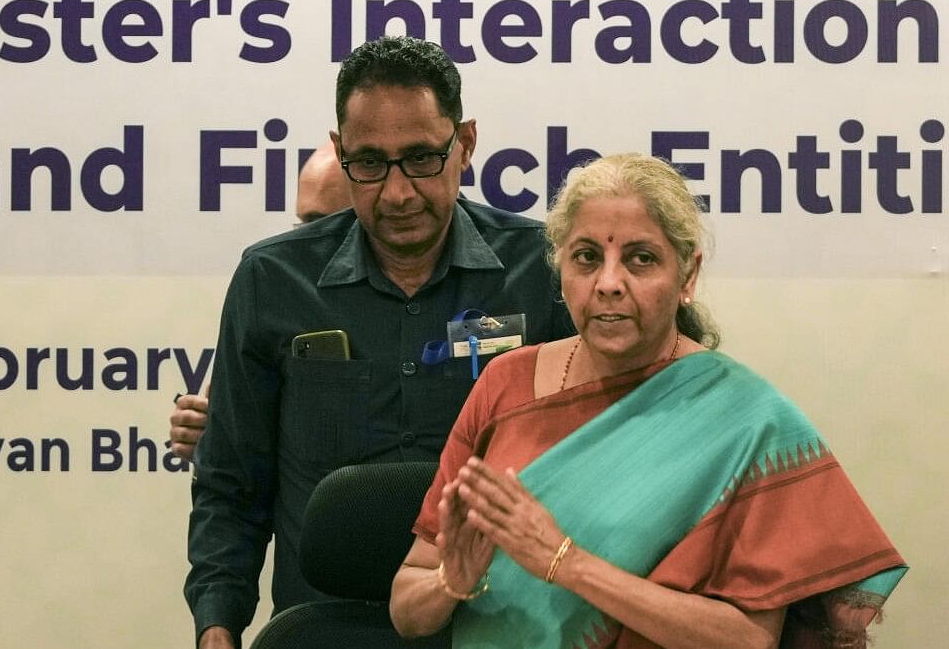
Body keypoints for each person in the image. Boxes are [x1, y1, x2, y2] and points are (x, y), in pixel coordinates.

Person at [390, 153, 907, 648]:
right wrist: (451, 583)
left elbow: (748, 638)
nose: (609, 283)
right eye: (587, 258)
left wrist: (567, 563)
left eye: (640, 259)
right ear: (561, 270)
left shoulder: (747, 421)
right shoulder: (504, 385)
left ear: (688, 275)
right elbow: (407, 607)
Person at [185, 36, 576, 649]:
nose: (396, 193)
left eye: (421, 158)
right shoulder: (273, 280)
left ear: (465, 144)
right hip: (325, 627)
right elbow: (231, 484)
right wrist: (217, 628)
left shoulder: (544, 271)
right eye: (369, 163)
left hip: (499, 623)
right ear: (341, 154)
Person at [168, 139, 352, 462]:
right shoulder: (273, 295)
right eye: (304, 224)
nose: (307, 240)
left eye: (323, 224)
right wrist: (215, 441)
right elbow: (241, 465)